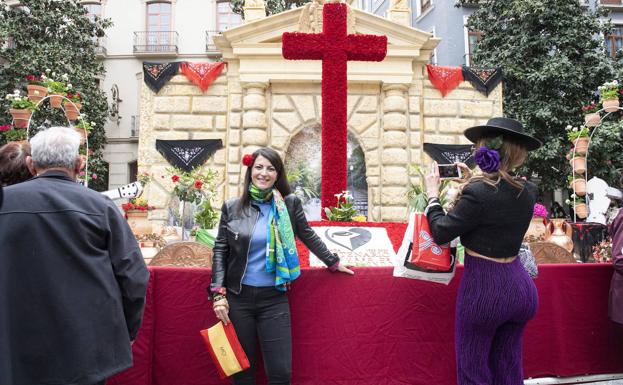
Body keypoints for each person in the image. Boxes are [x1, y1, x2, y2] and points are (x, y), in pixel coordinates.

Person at [0, 126, 150, 385]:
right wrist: (126, 329)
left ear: (31, 164)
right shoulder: (100, 207)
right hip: (84, 348)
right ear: (80, 164)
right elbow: (134, 276)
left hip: (14, 343)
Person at [209, 147, 353, 385]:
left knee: (280, 373)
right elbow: (220, 251)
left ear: (278, 174)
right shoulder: (232, 207)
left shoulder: (289, 204)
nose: (264, 173)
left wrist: (333, 262)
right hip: (238, 299)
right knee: (242, 374)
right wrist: (217, 294)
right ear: (250, 171)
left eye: (270, 168)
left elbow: (307, 235)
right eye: (259, 167)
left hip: (273, 299)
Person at [425, 117, 541, 385]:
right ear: (518, 153)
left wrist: (433, 196)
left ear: (483, 149)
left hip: (485, 290)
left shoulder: (477, 193)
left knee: (473, 371)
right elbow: (497, 198)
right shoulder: (529, 191)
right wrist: (473, 180)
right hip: (521, 289)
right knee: (508, 367)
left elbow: (442, 231)